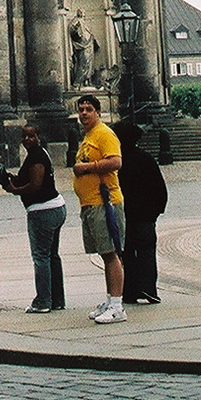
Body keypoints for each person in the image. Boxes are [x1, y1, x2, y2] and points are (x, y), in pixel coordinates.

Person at [0, 122, 66, 312]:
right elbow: (29, 179)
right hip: (56, 207)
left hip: (43, 211)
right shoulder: (39, 154)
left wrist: (15, 190)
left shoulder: (36, 157)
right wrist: (9, 178)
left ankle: (43, 301)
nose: (27, 139)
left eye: (31, 136)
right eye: (24, 136)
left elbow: (35, 185)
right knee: (52, 256)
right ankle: (57, 300)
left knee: (41, 256)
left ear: (39, 137)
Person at [72, 94, 126, 323]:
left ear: (98, 113)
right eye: (81, 109)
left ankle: (117, 306)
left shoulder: (104, 133)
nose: (84, 113)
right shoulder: (88, 136)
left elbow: (116, 161)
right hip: (91, 203)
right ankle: (110, 300)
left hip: (106, 202)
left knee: (111, 254)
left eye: (89, 109)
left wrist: (87, 168)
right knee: (105, 254)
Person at [115, 122, 168, 305]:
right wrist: (156, 211)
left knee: (127, 252)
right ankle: (148, 288)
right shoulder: (145, 158)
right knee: (146, 252)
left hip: (125, 214)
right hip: (145, 215)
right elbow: (159, 188)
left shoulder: (117, 161)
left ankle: (129, 290)